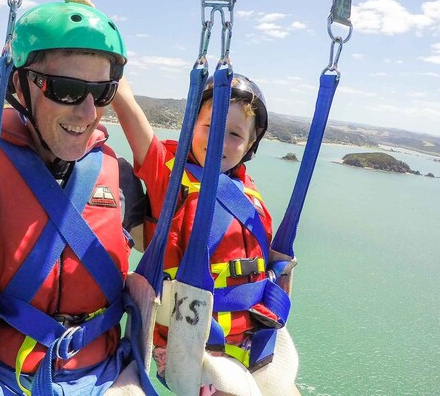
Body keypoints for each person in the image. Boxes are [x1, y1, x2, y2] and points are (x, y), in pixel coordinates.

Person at [0, 0, 153, 396]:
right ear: (20, 86)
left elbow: (171, 241)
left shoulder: (118, 175)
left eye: (102, 91)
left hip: (106, 378)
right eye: (67, 89)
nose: (88, 111)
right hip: (7, 380)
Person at [112, 72, 300, 394]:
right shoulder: (169, 177)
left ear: (251, 143)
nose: (219, 143)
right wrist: (110, 72)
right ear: (190, 127)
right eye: (210, 128)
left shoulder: (247, 193)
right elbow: (129, 110)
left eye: (235, 134)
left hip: (254, 340)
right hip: (191, 346)